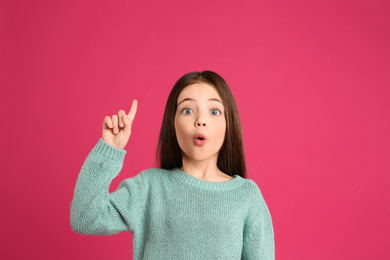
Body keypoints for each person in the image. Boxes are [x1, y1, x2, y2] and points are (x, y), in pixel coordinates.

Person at [70, 71, 275, 259]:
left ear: (229, 123)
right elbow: (85, 218)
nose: (201, 120)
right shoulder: (149, 187)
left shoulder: (247, 196)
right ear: (172, 123)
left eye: (214, 111)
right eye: (187, 110)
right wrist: (109, 150)